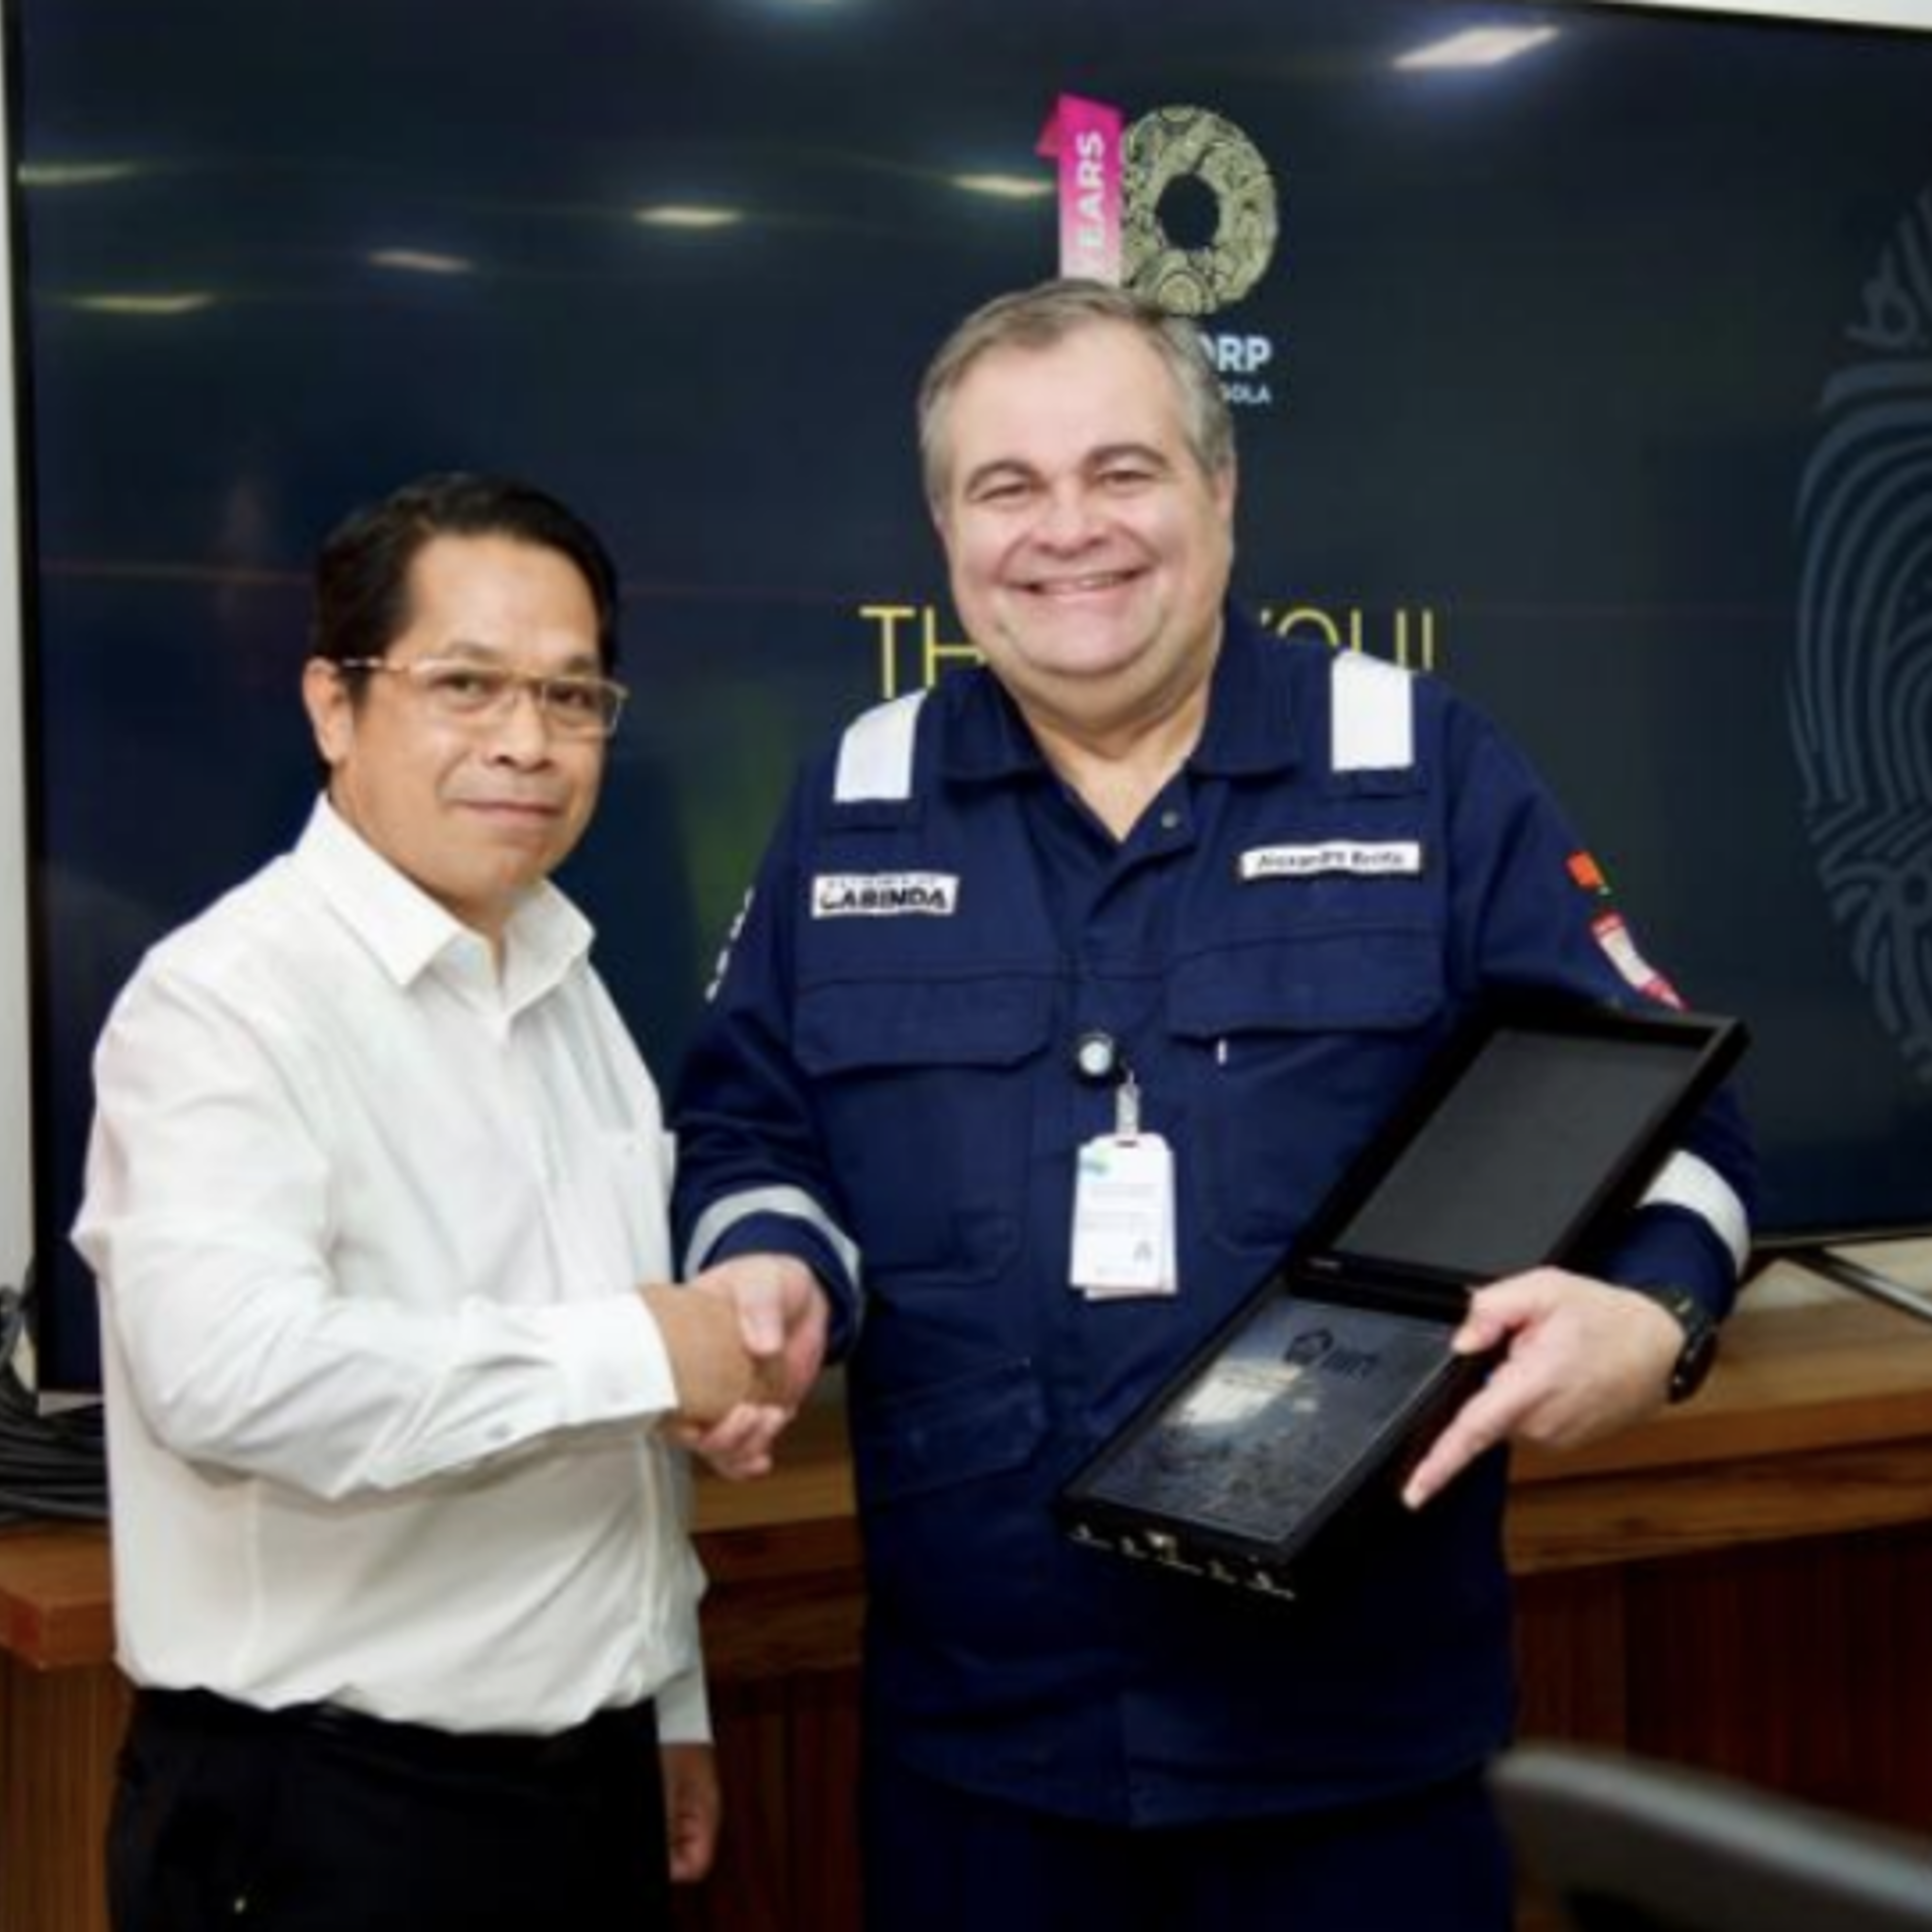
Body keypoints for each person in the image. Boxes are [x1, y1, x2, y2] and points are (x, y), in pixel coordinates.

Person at [670, 281, 1756, 1931]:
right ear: (947, 531)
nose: (1069, 531)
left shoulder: (1422, 766)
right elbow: (751, 1130)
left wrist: (1653, 1320)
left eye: (1124, 472)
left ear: (1222, 492)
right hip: (984, 1757)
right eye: (1008, 487)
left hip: (1361, 1751)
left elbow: (1668, 1113)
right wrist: (770, 1264)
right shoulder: (855, 800)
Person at [74, 472, 801, 1932]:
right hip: (324, 1820)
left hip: (587, 1789)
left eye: (573, 696)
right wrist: (642, 1349)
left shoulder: (568, 982)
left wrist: (664, 1693)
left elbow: (612, 1433)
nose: (527, 742)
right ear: (333, 706)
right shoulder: (222, 1004)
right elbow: (234, 1376)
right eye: (465, 685)